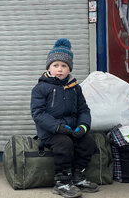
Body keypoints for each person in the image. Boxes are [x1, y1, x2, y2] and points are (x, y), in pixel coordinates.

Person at [30, 38, 99, 198]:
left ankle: (78, 176)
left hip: (72, 129)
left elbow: (83, 109)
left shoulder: (75, 88)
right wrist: (58, 127)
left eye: (64, 66)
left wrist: (83, 126)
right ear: (49, 67)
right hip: (51, 132)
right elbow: (38, 114)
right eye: (55, 65)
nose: (59, 69)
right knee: (64, 144)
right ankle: (62, 182)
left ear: (69, 68)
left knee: (88, 142)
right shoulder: (41, 88)